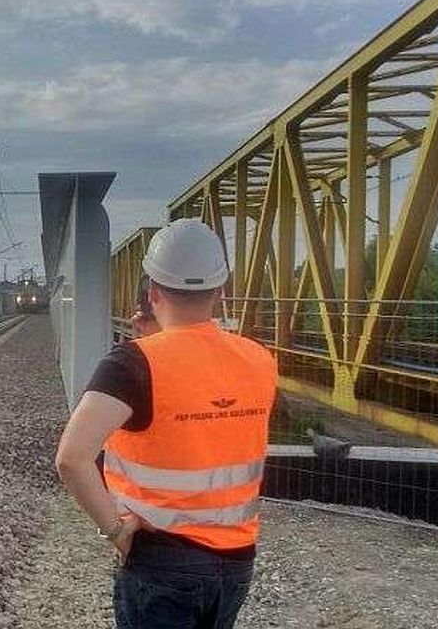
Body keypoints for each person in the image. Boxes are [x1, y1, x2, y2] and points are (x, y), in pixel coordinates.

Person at [55, 218, 277, 629]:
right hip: (237, 562)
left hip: (162, 561)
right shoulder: (260, 359)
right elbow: (206, 423)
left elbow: (72, 458)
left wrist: (114, 531)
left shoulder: (133, 363)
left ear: (153, 291)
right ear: (220, 291)